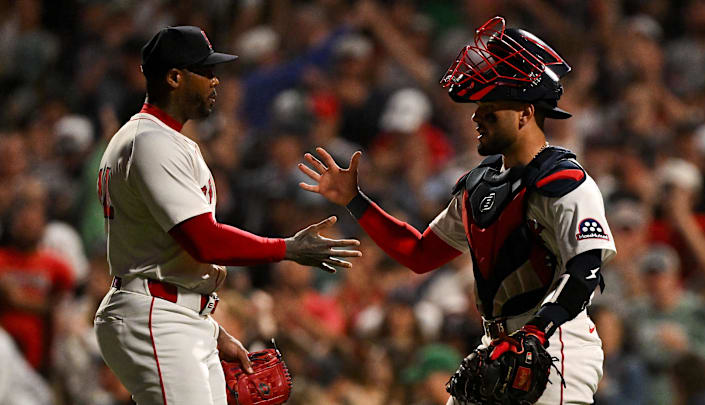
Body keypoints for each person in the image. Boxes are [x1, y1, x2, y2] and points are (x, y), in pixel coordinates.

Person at [299, 16, 616, 405]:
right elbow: (418, 253)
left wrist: (538, 330)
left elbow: (586, 269)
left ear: (526, 113)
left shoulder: (564, 180)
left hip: (554, 346)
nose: (476, 117)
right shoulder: (479, 183)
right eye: (477, 108)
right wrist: (355, 200)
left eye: (490, 109)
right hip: (497, 347)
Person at [93, 26, 361, 405]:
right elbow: (203, 240)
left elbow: (164, 252)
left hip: (173, 311)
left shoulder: (153, 140)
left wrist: (211, 329)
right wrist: (287, 248)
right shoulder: (151, 142)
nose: (215, 80)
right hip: (157, 314)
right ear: (175, 77)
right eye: (205, 71)